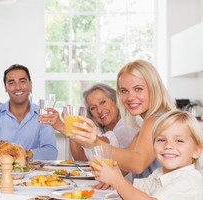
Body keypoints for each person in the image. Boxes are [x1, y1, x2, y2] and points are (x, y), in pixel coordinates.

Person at [40, 60, 176, 178]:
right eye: (124, 91)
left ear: (154, 87)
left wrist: (92, 142)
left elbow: (137, 164)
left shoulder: (155, 121)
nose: (130, 97)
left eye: (138, 89)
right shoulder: (151, 123)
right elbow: (123, 168)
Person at [92, 110, 203, 200]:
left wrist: (115, 180)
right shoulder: (158, 174)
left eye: (179, 141)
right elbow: (134, 195)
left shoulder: (189, 181)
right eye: (161, 140)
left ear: (196, 151)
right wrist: (117, 176)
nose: (168, 146)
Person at [0, 64, 58, 160]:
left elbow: (51, 152)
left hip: (30, 173)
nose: (17, 87)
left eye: (22, 81)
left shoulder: (43, 116)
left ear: (30, 84)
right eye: (11, 83)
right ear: (5, 87)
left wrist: (21, 154)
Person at [60, 83, 138, 161]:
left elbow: (102, 143)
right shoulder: (102, 133)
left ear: (115, 101)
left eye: (103, 102)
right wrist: (70, 123)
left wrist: (66, 127)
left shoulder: (128, 126)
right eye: (93, 108)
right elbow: (81, 159)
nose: (99, 110)